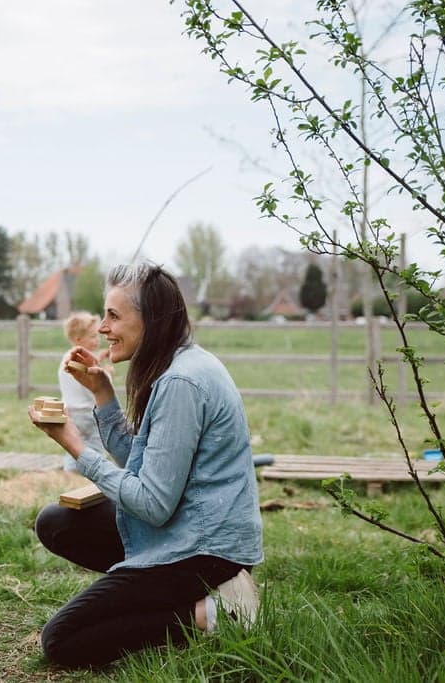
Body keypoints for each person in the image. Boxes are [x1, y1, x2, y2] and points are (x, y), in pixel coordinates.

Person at [28, 261, 264, 669]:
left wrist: (77, 447)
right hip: (187, 524)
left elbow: (153, 502)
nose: (103, 327)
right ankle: (160, 591)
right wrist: (103, 393)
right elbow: (144, 461)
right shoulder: (180, 364)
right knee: (57, 522)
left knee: (62, 640)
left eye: (114, 316)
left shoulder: (180, 383)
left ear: (151, 320)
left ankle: (213, 612)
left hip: (204, 547)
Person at [57, 311, 109, 472]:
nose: (97, 339)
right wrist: (106, 374)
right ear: (78, 340)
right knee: (96, 445)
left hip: (71, 413)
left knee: (74, 445)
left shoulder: (68, 357)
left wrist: (99, 360)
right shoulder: (82, 361)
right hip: (88, 413)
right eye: (93, 336)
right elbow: (95, 383)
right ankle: (98, 473)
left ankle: (70, 473)